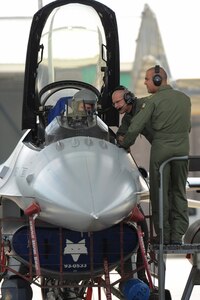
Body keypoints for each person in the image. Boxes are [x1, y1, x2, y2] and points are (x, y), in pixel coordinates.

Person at [113, 66, 191, 245]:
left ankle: (164, 235)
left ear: (157, 80)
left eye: (147, 79)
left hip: (161, 150)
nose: (145, 82)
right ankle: (177, 236)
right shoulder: (184, 99)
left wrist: (124, 144)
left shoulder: (150, 103)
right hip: (182, 150)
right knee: (179, 191)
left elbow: (132, 130)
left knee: (159, 192)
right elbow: (187, 127)